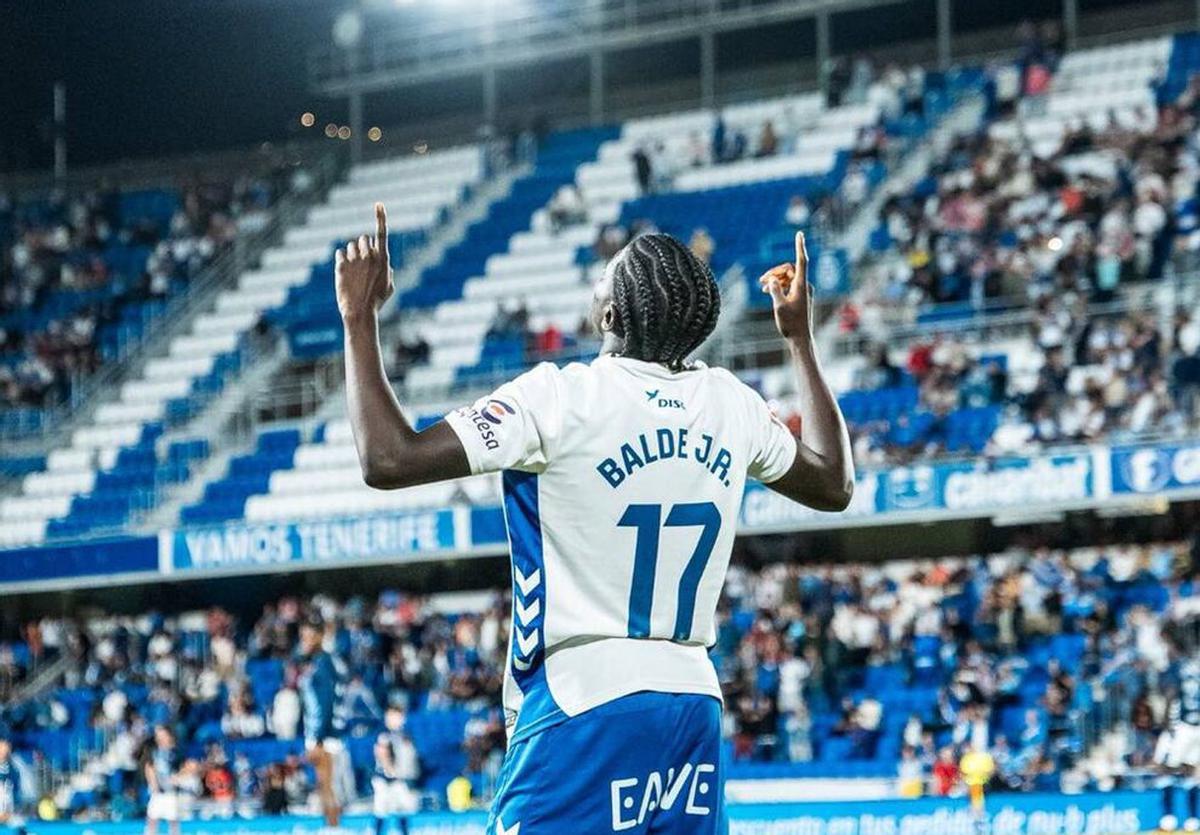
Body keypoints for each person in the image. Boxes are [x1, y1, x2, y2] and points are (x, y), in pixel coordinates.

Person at [334, 205, 853, 832]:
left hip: (583, 695)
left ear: (610, 314)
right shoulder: (730, 403)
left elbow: (388, 458)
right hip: (691, 700)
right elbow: (832, 483)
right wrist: (799, 340)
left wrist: (359, 318)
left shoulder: (558, 396)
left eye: (602, 277)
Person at [297, 616, 350, 828]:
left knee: (327, 785)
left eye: (308, 636)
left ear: (319, 637)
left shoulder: (322, 663)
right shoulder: (319, 662)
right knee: (324, 785)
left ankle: (334, 828)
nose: (304, 641)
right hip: (321, 730)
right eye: (302, 636)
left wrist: (317, 738)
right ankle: (331, 827)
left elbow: (325, 702)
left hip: (324, 733)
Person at [373, 707, 420, 835]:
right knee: (381, 810)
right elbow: (381, 752)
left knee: (403, 810)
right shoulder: (384, 733)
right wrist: (390, 770)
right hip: (383, 780)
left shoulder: (404, 734)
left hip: (398, 780)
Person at [144, 726, 185, 835]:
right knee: (152, 819)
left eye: (162, 735)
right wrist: (153, 782)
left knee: (173, 820)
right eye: (158, 736)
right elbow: (149, 766)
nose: (159, 738)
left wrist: (177, 777)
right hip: (157, 793)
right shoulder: (153, 751)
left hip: (170, 793)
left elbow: (186, 767)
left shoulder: (176, 752)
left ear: (169, 736)